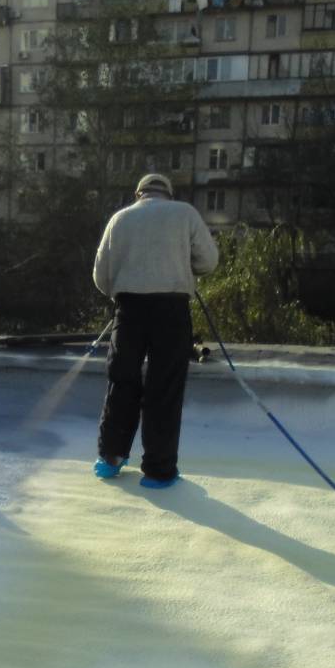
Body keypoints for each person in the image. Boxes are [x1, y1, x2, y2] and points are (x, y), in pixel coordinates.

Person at [90, 172, 219, 488]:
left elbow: (100, 275)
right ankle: (159, 471)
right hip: (171, 310)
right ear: (168, 194)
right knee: (164, 388)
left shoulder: (120, 219)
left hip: (129, 310)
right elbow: (209, 261)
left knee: (122, 382)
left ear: (139, 194)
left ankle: (111, 458)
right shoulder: (184, 213)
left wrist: (123, 292)